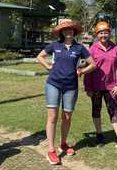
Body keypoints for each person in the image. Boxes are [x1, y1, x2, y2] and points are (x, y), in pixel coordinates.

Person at [37, 19, 96, 165]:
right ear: (61, 32)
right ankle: (51, 150)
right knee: (52, 116)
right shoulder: (55, 45)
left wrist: (82, 71)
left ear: (74, 31)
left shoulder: (79, 48)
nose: (68, 31)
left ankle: (63, 143)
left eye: (70, 29)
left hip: (71, 86)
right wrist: (48, 67)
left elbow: (93, 64)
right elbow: (39, 56)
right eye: (65, 30)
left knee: (67, 117)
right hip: (54, 84)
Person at [83, 21, 117, 151]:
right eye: (101, 33)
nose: (103, 35)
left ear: (109, 33)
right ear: (97, 34)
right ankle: (99, 135)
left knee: (114, 112)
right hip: (95, 87)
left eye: (105, 32)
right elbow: (88, 70)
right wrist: (88, 87)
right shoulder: (92, 49)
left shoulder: (115, 48)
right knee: (96, 110)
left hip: (111, 87)